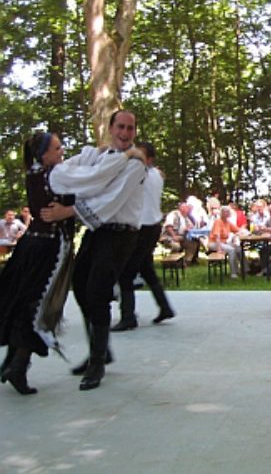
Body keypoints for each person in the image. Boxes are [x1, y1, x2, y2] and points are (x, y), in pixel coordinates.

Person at [48, 109, 147, 391]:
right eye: (120, 127)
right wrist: (86, 185)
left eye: (130, 128)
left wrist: (68, 210)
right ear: (110, 127)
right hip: (97, 231)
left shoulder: (135, 165)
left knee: (97, 291)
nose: (125, 133)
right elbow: (72, 177)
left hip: (120, 234)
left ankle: (97, 363)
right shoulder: (98, 156)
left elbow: (109, 201)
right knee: (79, 284)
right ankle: (101, 350)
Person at [0, 132, 74, 395]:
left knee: (24, 302)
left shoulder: (35, 173)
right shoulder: (54, 175)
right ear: (44, 155)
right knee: (37, 308)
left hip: (32, 244)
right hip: (48, 247)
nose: (61, 150)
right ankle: (18, 365)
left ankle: (13, 362)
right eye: (56, 147)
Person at [111, 142, 175, 331]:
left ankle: (128, 316)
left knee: (126, 273)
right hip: (153, 226)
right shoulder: (156, 174)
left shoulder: (141, 174)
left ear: (148, 160)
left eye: (138, 155)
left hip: (141, 228)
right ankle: (164, 307)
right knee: (146, 269)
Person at [208, 206, 244, 278]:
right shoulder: (218, 221)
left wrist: (235, 235)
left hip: (224, 243)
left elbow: (238, 230)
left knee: (238, 248)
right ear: (221, 213)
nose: (227, 213)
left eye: (228, 212)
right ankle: (233, 273)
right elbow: (217, 236)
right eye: (225, 212)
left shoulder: (228, 222)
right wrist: (219, 249)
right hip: (214, 243)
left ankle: (245, 269)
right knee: (231, 250)